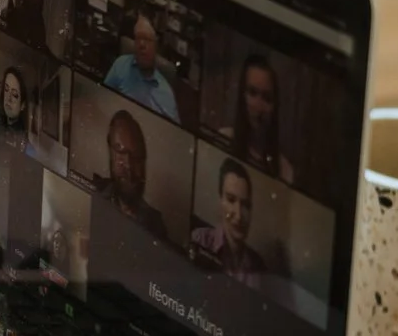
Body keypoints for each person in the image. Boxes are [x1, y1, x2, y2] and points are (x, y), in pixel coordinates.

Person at [191, 158, 284, 287]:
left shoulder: (258, 269)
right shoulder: (200, 239)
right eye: (231, 200)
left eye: (245, 205)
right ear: (220, 201)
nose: (239, 216)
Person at [100, 109, 171, 243]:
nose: (128, 164)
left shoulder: (155, 226)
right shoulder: (96, 192)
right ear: (110, 154)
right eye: (121, 152)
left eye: (136, 156)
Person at [232, 52, 298, 187]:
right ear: (242, 95)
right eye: (252, 93)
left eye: (267, 98)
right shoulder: (222, 138)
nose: (259, 107)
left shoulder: (285, 171)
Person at [102, 10, 180, 121]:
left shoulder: (167, 95)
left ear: (157, 45)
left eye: (147, 39)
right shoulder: (121, 65)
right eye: (138, 38)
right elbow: (102, 99)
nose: (141, 45)